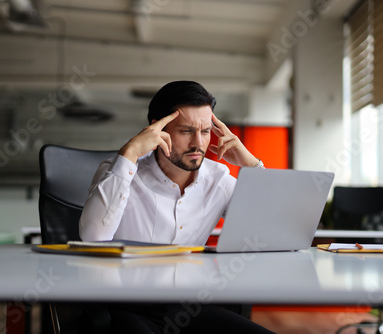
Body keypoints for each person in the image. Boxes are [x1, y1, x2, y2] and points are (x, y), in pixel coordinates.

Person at [79, 81, 274, 334]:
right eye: (186, 131)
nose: (198, 143)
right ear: (156, 128)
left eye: (205, 131)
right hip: (123, 306)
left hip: (187, 308)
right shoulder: (118, 173)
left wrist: (250, 163)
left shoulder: (219, 181)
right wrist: (130, 152)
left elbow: (269, 231)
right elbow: (93, 237)